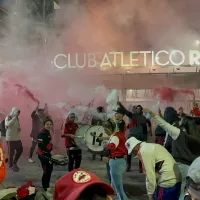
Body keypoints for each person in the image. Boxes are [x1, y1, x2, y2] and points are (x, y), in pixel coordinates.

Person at [144, 107, 200, 200]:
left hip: (177, 166)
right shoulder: (195, 136)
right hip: (192, 169)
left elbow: (166, 145)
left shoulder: (176, 131)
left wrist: (153, 115)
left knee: (176, 193)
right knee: (185, 194)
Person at [102, 107, 128, 200]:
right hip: (118, 161)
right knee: (113, 188)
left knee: (119, 190)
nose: (105, 131)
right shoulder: (115, 135)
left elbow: (112, 146)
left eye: (106, 129)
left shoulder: (116, 136)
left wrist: (105, 154)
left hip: (116, 162)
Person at [118, 102, 149, 173]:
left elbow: (144, 129)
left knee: (140, 152)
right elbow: (126, 112)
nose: (138, 110)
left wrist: (145, 139)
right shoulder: (132, 115)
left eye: (139, 109)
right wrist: (120, 105)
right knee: (129, 152)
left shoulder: (143, 118)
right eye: (136, 108)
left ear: (141, 110)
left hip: (140, 137)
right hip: (131, 136)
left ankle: (140, 167)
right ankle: (128, 165)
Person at [37, 118, 54, 191]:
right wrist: (49, 151)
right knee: (46, 171)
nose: (49, 126)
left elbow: (48, 143)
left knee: (49, 170)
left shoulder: (48, 132)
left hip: (48, 154)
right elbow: (40, 146)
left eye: (50, 124)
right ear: (44, 125)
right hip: (42, 155)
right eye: (47, 124)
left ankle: (47, 186)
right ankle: (45, 188)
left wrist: (51, 149)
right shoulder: (41, 133)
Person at [5, 107, 23, 172]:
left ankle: (14, 162)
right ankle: (10, 166)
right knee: (11, 153)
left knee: (20, 150)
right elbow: (8, 125)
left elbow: (17, 126)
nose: (18, 114)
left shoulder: (17, 119)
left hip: (17, 137)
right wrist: (14, 118)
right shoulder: (8, 117)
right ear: (14, 112)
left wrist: (19, 129)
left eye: (19, 113)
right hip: (10, 138)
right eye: (17, 113)